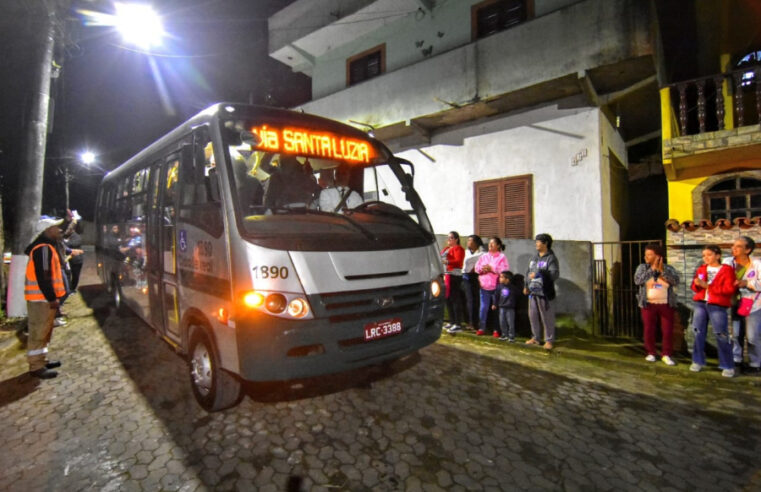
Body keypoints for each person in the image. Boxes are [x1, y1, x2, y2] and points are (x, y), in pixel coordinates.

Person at [24, 216, 68, 379]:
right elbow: (43, 276)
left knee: (44, 331)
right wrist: (51, 298)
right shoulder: (43, 248)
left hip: (42, 299)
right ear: (47, 231)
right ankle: (36, 366)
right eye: (56, 227)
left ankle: (42, 360)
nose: (59, 230)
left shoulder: (46, 246)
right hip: (41, 299)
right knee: (38, 332)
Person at [689, 245, 736, 377]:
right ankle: (697, 361)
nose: (706, 258)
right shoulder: (702, 268)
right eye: (704, 255)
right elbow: (695, 287)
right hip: (700, 303)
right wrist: (697, 284)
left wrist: (708, 286)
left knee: (721, 334)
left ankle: (727, 365)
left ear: (718, 256)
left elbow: (728, 290)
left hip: (717, 305)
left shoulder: (727, 270)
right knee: (697, 331)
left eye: (709, 254)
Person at [634, 243, 680, 366]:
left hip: (666, 303)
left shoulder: (668, 268)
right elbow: (638, 280)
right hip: (648, 303)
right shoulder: (642, 267)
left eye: (650, 254)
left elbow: (675, 281)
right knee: (649, 328)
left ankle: (666, 354)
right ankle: (651, 352)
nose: (646, 257)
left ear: (658, 256)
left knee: (667, 330)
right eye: (646, 254)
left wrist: (662, 272)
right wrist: (652, 269)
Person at [727, 236, 761, 374]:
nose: (734, 248)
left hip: (754, 303)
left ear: (748, 250)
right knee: (736, 334)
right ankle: (737, 360)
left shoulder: (757, 264)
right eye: (733, 245)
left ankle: (755, 363)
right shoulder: (728, 263)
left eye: (739, 246)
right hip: (736, 302)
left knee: (752, 336)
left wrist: (747, 283)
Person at [524, 233, 560, 350]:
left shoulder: (551, 258)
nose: (536, 244)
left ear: (546, 243)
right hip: (533, 292)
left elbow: (554, 274)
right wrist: (526, 285)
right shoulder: (534, 258)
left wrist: (539, 274)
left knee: (546, 317)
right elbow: (527, 272)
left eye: (538, 241)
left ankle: (549, 340)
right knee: (533, 315)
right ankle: (535, 338)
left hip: (544, 293)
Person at [474, 237, 509, 337]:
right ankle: (481, 328)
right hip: (484, 286)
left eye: (493, 243)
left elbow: (505, 270)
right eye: (489, 243)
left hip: (496, 287)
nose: (490, 245)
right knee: (483, 308)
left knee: (495, 309)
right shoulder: (484, 256)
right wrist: (483, 269)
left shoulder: (502, 257)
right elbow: (476, 268)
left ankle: (496, 330)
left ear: (498, 245)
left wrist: (492, 268)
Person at [440, 231, 465, 332]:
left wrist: (448, 261)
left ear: (456, 239)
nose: (448, 240)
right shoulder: (446, 249)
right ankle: (452, 321)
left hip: (454, 275)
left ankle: (457, 323)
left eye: (451, 238)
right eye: (448, 238)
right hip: (447, 275)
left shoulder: (459, 249)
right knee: (448, 299)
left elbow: (459, 261)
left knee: (455, 298)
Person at [460, 235, 485, 331]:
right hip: (465, 276)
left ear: (475, 243)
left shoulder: (481, 254)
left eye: (470, 240)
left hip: (475, 277)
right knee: (467, 300)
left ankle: (474, 322)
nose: (468, 242)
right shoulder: (466, 252)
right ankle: (468, 321)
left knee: (474, 300)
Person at [492, 271, 519, 342]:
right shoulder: (499, 287)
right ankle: (504, 334)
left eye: (501, 277)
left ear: (507, 279)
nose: (500, 279)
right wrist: (494, 304)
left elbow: (516, 295)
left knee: (510, 322)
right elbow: (496, 296)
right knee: (502, 321)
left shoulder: (512, 288)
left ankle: (511, 336)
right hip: (501, 307)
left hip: (510, 308)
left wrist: (511, 303)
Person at [63, 210, 84, 293]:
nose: (67, 230)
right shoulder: (67, 236)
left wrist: (66, 242)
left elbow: (71, 244)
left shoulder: (77, 237)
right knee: (68, 274)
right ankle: (69, 289)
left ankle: (72, 289)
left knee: (75, 275)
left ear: (72, 230)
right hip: (69, 260)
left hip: (77, 260)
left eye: (69, 229)